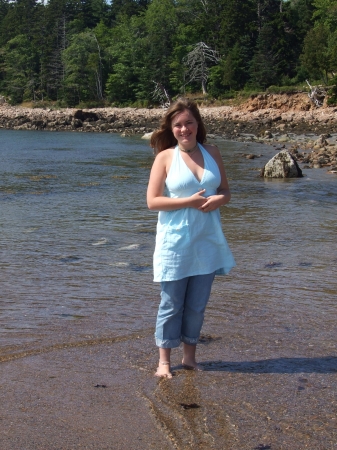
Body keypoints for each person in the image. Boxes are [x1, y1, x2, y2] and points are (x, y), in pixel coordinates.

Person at [147, 98, 235, 378]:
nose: (184, 129)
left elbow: (225, 191)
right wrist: (187, 201)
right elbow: (152, 201)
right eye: (178, 125)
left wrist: (218, 200)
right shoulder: (165, 157)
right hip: (175, 243)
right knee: (171, 304)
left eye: (188, 123)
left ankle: (189, 358)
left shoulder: (212, 151)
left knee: (197, 305)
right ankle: (163, 362)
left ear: (198, 124)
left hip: (206, 240)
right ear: (170, 129)